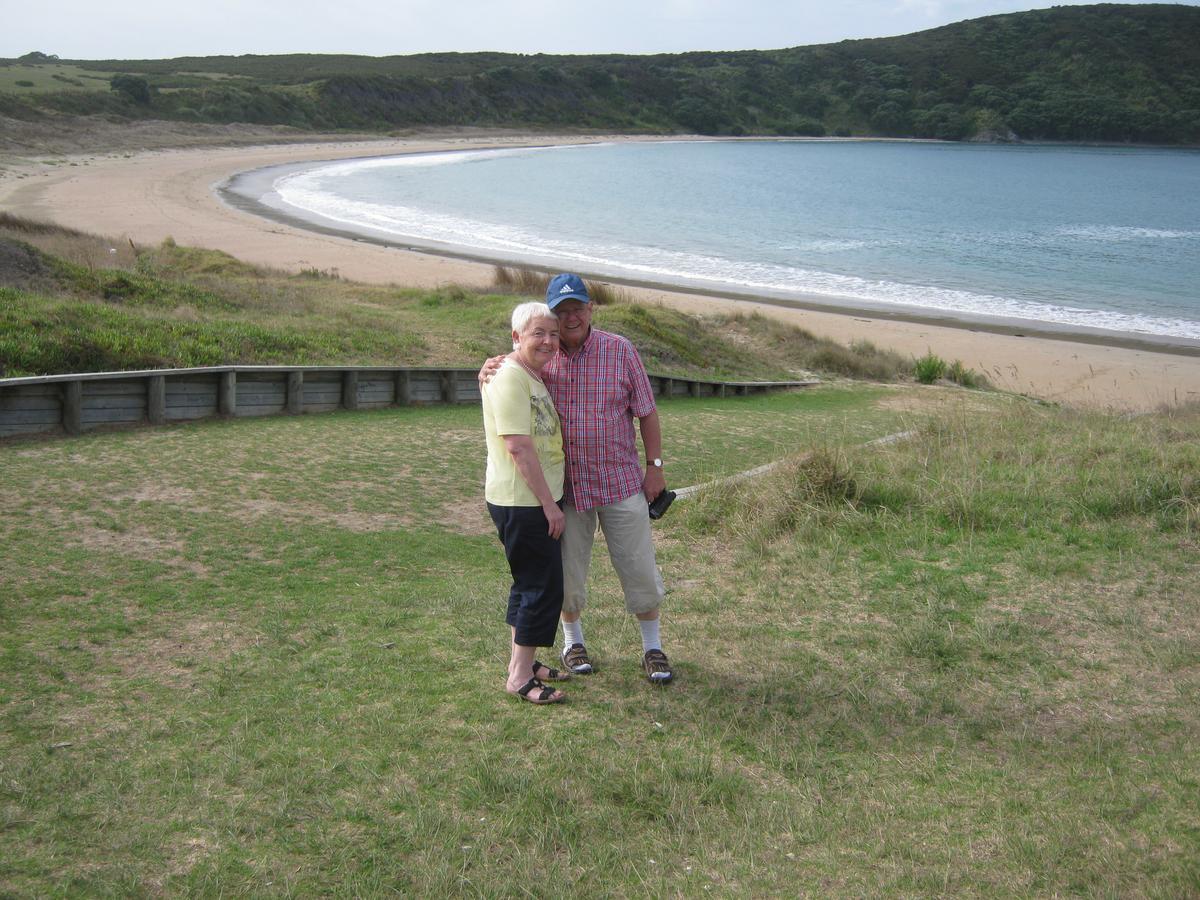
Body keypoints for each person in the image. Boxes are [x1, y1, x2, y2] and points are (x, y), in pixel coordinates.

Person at [482, 273, 672, 684]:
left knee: (638, 569)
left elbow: (647, 411)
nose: (570, 318)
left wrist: (654, 469)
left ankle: (652, 647)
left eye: (577, 308)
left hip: (621, 483)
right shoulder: (542, 357)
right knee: (567, 576)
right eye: (561, 311)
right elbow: (515, 367)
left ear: (591, 309)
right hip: (568, 489)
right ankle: (573, 642)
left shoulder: (620, 350)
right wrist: (491, 364)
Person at [482, 301, 573, 705]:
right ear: (517, 336)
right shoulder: (510, 377)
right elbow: (518, 447)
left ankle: (525, 661)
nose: (549, 341)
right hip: (524, 502)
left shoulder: (529, 375)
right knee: (542, 585)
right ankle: (520, 677)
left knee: (527, 582)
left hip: (532, 500)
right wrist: (549, 506)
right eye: (539, 333)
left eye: (554, 334)